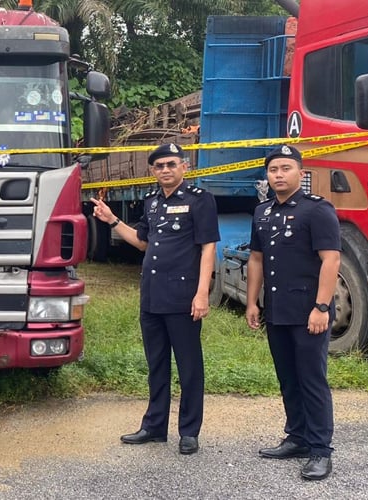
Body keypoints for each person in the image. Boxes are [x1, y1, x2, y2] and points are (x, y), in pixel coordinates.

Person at [90, 143, 220, 455]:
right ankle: (154, 426)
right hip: (152, 295)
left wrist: (202, 293)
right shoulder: (151, 201)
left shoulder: (199, 200)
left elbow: (208, 248)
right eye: (159, 166)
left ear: (184, 167)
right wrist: (112, 220)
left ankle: (189, 431)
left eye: (171, 164)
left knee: (189, 367)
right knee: (156, 364)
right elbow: (142, 242)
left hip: (183, 297)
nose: (165, 170)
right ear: (152, 170)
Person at [245, 145, 340, 481]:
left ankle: (320, 450)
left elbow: (331, 259)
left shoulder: (317, 210)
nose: (279, 175)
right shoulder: (263, 212)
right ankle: (297, 437)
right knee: (288, 378)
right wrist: (252, 302)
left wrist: (321, 307)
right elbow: (256, 259)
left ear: (301, 172)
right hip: (278, 311)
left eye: (286, 168)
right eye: (273, 170)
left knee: (311, 380)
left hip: (309, 312)